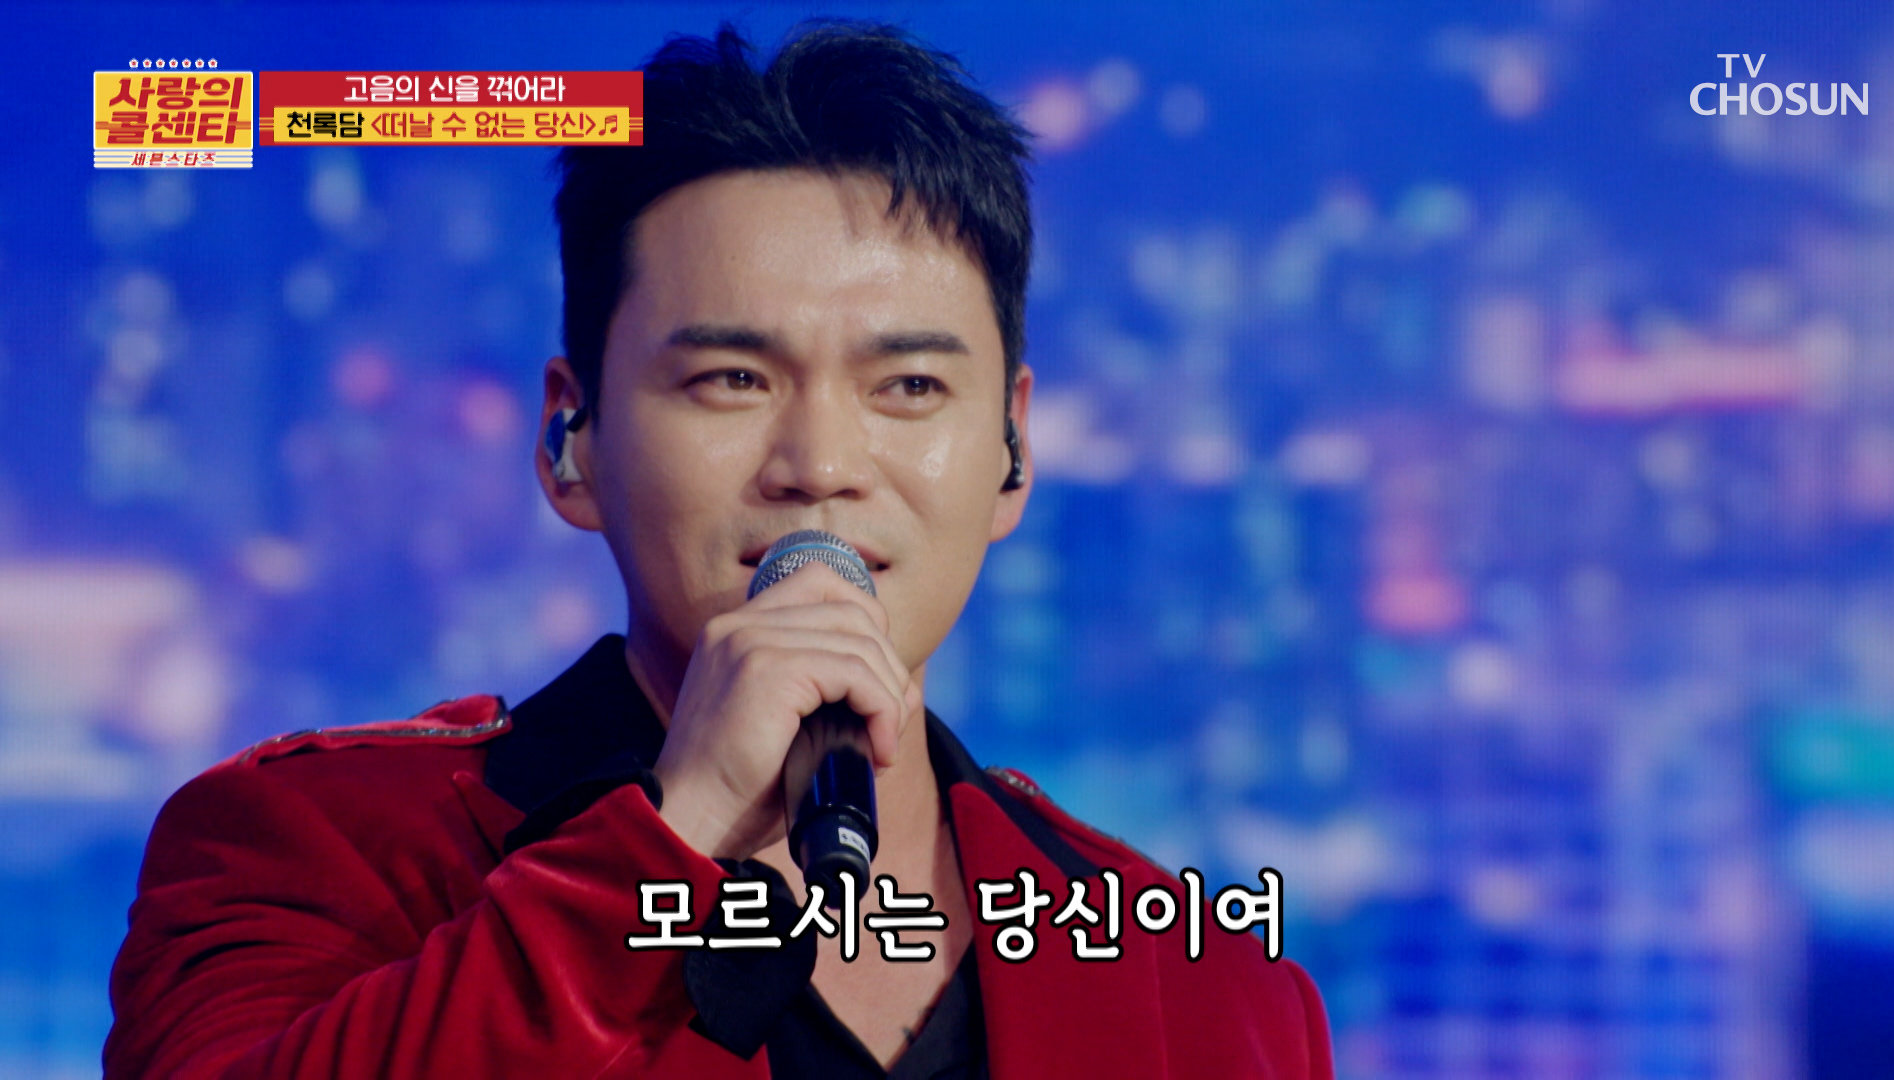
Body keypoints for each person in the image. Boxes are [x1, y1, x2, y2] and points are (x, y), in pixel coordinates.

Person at [104, 20, 1333, 1079]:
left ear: (1012, 451)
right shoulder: (311, 848)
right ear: (571, 441)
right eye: (732, 379)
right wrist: (671, 836)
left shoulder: (1204, 981)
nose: (821, 462)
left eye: (908, 386)